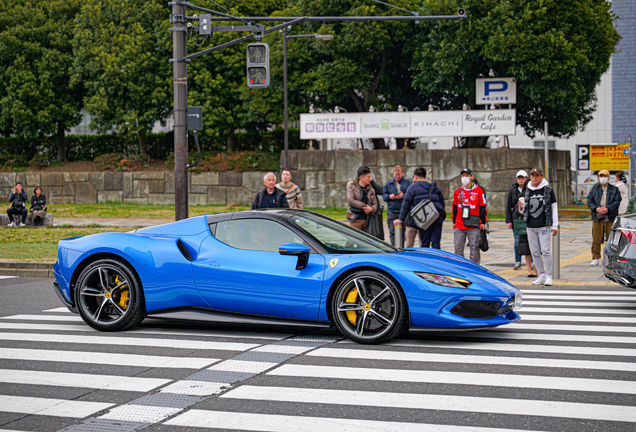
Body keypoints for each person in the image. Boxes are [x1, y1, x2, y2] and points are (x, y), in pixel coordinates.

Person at [519, 167, 559, 286]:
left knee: (546, 250)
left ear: (542, 177)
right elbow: (523, 211)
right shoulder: (526, 191)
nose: (534, 178)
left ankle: (549, 275)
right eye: (533, 175)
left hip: (544, 225)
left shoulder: (548, 191)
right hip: (530, 225)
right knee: (534, 251)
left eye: (537, 175)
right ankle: (541, 275)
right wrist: (521, 208)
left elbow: (554, 208)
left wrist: (555, 225)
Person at [393, 167, 445, 248]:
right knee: (436, 244)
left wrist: (400, 219)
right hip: (436, 217)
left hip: (424, 218)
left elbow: (406, 204)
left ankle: (425, 260)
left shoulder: (412, 188)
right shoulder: (434, 187)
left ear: (415, 177)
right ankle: (436, 260)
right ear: (425, 176)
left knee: (425, 244)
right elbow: (442, 203)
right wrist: (442, 216)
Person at [452, 168, 487, 263]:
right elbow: (454, 207)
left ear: (472, 177)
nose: (464, 178)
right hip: (460, 224)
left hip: (474, 224)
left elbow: (483, 207)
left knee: (474, 249)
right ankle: (460, 268)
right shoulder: (457, 191)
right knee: (458, 249)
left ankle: (474, 268)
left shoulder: (479, 190)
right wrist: (454, 222)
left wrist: (483, 222)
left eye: (466, 175)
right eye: (463, 176)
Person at [587, 169, 621, 266]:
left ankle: (612, 258)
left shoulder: (614, 189)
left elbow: (617, 201)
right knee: (596, 239)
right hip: (597, 217)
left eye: (605, 176)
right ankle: (595, 257)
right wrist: (596, 209)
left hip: (610, 217)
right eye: (601, 176)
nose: (603, 178)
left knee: (612, 240)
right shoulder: (595, 188)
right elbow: (589, 200)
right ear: (598, 177)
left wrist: (608, 209)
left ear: (609, 177)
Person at [383, 165, 411, 246]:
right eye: (396, 174)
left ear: (402, 173)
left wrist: (403, 196)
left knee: (402, 233)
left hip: (403, 211)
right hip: (392, 211)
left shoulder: (407, 183)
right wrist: (390, 196)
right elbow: (384, 196)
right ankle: (393, 247)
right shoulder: (389, 184)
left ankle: (400, 247)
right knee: (392, 232)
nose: (397, 176)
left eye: (399, 174)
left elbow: (411, 195)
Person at [505, 170, 528, 270]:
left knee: (529, 241)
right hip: (516, 219)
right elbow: (508, 206)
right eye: (519, 178)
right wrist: (509, 221)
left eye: (522, 178)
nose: (521, 180)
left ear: (526, 179)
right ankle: (518, 261)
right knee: (517, 241)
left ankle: (531, 261)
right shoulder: (512, 190)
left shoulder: (529, 189)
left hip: (527, 219)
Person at [514, 179, 537, 277]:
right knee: (526, 249)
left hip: (536, 225)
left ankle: (536, 269)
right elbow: (518, 212)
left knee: (536, 249)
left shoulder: (537, 195)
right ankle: (529, 270)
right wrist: (520, 208)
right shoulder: (522, 196)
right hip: (525, 225)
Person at [346, 165, 378, 231]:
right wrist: (365, 206)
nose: (370, 179)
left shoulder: (371, 189)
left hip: (368, 220)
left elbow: (375, 204)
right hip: (355, 219)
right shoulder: (352, 186)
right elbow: (350, 200)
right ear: (361, 178)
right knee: (354, 240)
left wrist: (371, 209)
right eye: (368, 177)